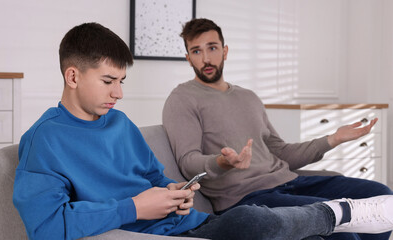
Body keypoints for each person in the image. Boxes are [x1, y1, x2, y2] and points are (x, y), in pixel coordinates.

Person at [12, 22, 393, 240]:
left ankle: (338, 221)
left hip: (193, 221)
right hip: (159, 235)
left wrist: (175, 192)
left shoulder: (120, 124)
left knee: (344, 238)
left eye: (123, 80)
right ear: (73, 75)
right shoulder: (45, 141)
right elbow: (45, 226)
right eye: (110, 81)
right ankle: (334, 213)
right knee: (252, 220)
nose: (120, 93)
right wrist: (136, 207)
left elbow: (154, 177)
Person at [162, 18, 393, 240]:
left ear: (225, 51)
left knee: (382, 196)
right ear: (188, 58)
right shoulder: (182, 99)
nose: (205, 58)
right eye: (196, 51)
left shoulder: (248, 97)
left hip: (290, 182)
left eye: (212, 48)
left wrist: (333, 139)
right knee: (342, 227)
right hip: (248, 198)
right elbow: (187, 160)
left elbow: (280, 152)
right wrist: (222, 162)